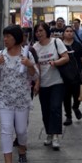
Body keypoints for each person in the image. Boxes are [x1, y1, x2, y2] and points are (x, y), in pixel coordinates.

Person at [0, 25, 38, 163]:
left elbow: (34, 76)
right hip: (5, 99)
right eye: (4, 36)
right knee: (6, 129)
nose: (5, 39)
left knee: (21, 130)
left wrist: (30, 66)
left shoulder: (26, 54)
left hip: (22, 99)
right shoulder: (0, 55)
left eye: (8, 36)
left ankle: (22, 149)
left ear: (16, 38)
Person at [32, 21, 69, 150]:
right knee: (45, 110)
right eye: (37, 31)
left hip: (57, 81)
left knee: (55, 107)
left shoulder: (56, 42)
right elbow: (36, 67)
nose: (39, 33)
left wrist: (56, 62)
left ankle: (56, 136)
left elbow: (66, 57)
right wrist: (37, 83)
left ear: (47, 31)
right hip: (43, 84)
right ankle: (49, 133)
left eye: (41, 31)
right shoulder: (35, 48)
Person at [61, 25, 82, 124]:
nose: (69, 33)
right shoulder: (59, 45)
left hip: (77, 75)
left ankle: (76, 107)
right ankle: (68, 116)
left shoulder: (78, 45)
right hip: (63, 77)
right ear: (63, 33)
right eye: (67, 31)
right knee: (66, 97)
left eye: (71, 31)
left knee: (78, 96)